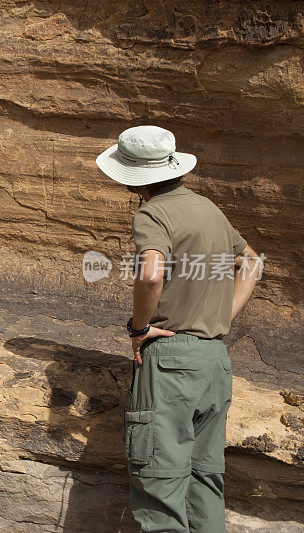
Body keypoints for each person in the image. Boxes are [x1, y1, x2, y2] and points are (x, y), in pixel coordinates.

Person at [95, 126, 264, 532]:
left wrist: (138, 329)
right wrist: (221, 315)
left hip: (170, 362)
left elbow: (151, 275)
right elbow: (253, 265)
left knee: (160, 487)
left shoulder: (154, 213)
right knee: (204, 482)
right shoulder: (207, 207)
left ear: (135, 178)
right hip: (214, 361)